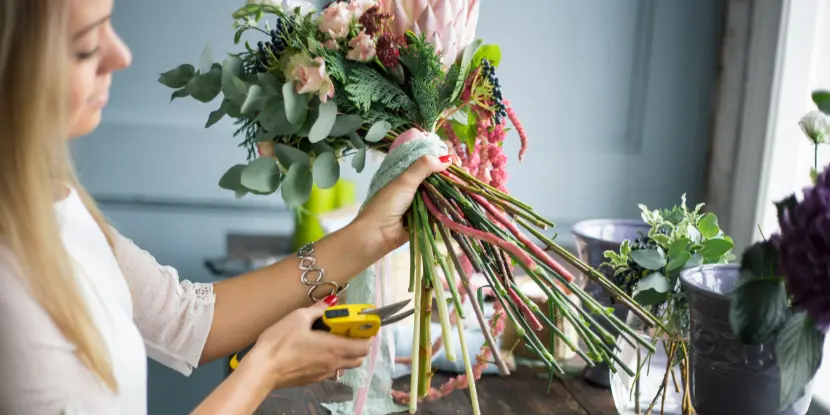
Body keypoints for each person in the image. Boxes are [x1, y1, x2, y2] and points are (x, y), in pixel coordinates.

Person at [0, 0, 451, 413]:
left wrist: (372, 233)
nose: (121, 56)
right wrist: (267, 367)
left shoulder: (52, 197)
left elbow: (185, 317)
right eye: (85, 47)